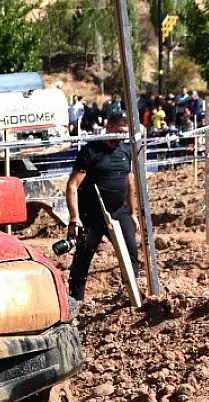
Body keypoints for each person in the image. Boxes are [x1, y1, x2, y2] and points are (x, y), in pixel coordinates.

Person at [63, 112, 142, 303]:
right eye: (119, 131)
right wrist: (75, 218)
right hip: (91, 215)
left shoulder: (125, 151)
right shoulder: (91, 151)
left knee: (131, 252)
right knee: (83, 256)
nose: (121, 136)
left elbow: (130, 182)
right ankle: (75, 300)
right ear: (109, 128)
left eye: (125, 132)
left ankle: (131, 296)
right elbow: (72, 185)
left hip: (119, 212)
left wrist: (133, 212)